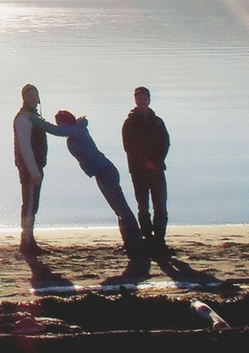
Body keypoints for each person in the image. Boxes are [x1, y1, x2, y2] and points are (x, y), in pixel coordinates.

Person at [30, 110, 150, 273]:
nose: (59, 126)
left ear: (65, 122)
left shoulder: (76, 130)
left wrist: (34, 119)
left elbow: (55, 131)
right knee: (119, 210)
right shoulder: (75, 131)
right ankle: (130, 244)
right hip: (101, 173)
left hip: (106, 171)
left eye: (60, 123)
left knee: (123, 210)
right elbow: (59, 131)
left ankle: (138, 246)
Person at [122, 86, 171, 257]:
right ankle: (148, 239)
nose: (142, 102)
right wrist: (144, 162)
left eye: (144, 99)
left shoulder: (157, 121)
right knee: (143, 207)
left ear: (149, 100)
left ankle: (160, 241)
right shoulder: (130, 123)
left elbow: (165, 143)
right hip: (138, 171)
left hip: (157, 170)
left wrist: (156, 162)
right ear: (135, 100)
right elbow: (129, 147)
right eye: (139, 99)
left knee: (161, 208)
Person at [13, 84, 48, 255]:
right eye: (30, 95)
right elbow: (25, 147)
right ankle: (26, 240)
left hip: (36, 166)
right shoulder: (23, 118)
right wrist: (34, 172)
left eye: (35, 95)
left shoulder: (34, 117)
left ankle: (29, 238)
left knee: (32, 204)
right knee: (29, 204)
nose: (34, 98)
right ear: (24, 98)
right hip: (28, 169)